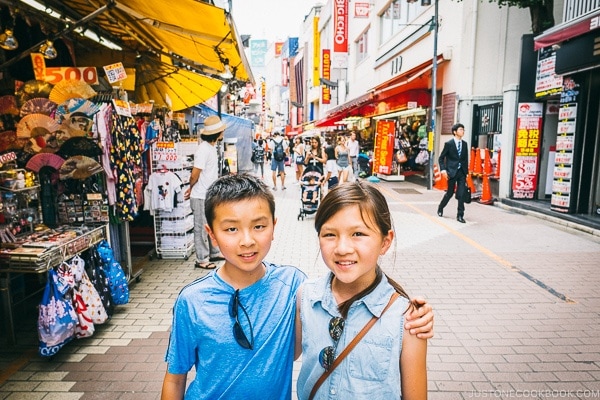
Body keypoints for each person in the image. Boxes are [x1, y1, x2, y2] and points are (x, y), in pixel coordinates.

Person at [162, 174, 435, 400]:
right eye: (231, 229)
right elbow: (175, 379)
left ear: (273, 226)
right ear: (211, 233)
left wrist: (417, 313)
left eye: (258, 226)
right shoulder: (194, 300)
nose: (247, 241)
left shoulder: (294, 287)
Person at [296, 182, 427, 399]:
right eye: (330, 234)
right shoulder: (306, 297)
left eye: (358, 233)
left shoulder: (407, 319)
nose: (342, 249)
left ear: (385, 242)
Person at [186, 115, 226, 270]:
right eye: (221, 130)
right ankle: (201, 258)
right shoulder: (203, 149)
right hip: (200, 195)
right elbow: (195, 173)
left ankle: (214, 252)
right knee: (201, 227)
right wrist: (191, 187)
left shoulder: (210, 148)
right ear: (216, 133)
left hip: (208, 194)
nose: (223, 132)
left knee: (210, 224)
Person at [437, 122, 469, 223]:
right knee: (450, 193)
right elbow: (441, 158)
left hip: (461, 172)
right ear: (455, 132)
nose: (462, 131)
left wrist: (466, 172)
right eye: (460, 129)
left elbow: (465, 159)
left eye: (463, 129)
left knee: (461, 193)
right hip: (451, 172)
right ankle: (441, 207)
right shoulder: (449, 144)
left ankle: (460, 215)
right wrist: (443, 170)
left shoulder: (464, 144)